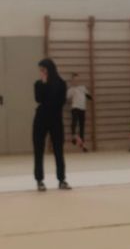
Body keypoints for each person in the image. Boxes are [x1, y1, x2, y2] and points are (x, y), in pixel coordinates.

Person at [33, 58, 71, 191]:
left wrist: (48, 89)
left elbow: (60, 101)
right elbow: (39, 99)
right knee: (38, 149)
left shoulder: (61, 84)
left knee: (58, 150)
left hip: (55, 119)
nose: (41, 72)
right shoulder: (38, 84)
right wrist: (44, 84)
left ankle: (62, 180)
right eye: (40, 70)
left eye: (43, 69)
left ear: (50, 69)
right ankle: (39, 180)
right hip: (40, 119)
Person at [67, 72, 92, 150]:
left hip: (82, 109)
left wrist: (90, 97)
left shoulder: (82, 88)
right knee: (74, 122)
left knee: (82, 126)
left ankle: (82, 144)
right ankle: (73, 136)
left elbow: (88, 95)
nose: (76, 81)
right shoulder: (71, 89)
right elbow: (65, 97)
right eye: (74, 79)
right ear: (72, 80)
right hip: (75, 108)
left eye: (77, 79)